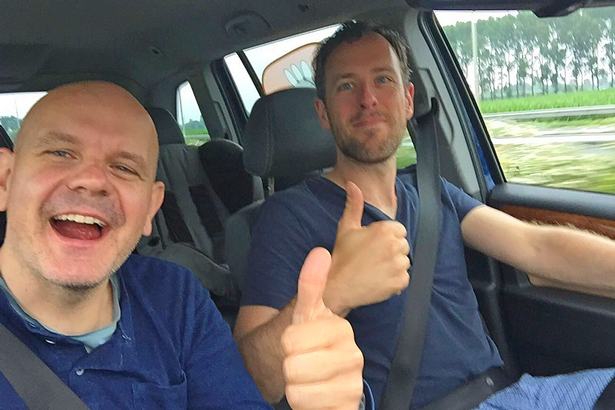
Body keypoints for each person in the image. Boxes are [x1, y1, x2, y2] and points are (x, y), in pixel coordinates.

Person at [234, 21, 615, 409]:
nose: (368, 99)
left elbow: (536, 247)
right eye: (346, 86)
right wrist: (336, 291)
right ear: (323, 113)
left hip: (517, 395)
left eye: (383, 80)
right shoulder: (289, 216)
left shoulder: (432, 189)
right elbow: (248, 380)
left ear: (408, 99)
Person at [0, 81, 364, 409]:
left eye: (124, 168)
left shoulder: (174, 296)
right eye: (61, 153)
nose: (93, 180)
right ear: (5, 180)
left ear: (150, 208)